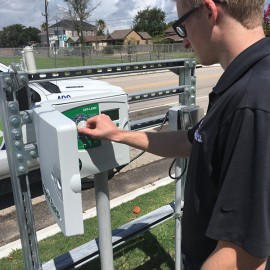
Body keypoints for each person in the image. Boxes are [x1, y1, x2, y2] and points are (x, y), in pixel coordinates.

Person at [78, 0, 270, 269]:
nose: (185, 43)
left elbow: (244, 253)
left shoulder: (252, 101)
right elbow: (190, 141)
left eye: (182, 26)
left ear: (208, 12)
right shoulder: (247, 80)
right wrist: (118, 134)